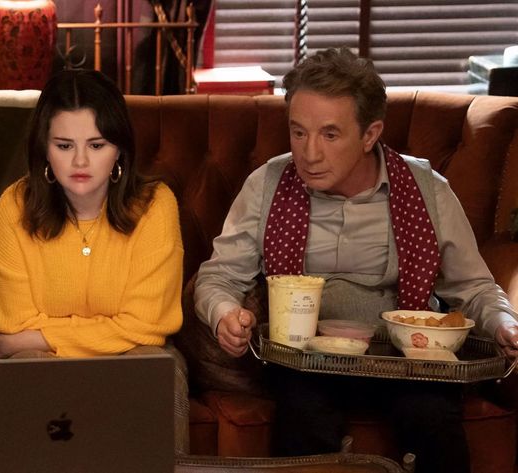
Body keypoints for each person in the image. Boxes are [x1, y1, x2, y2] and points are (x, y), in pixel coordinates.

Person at [194, 47, 518, 473]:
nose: (309, 153)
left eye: (330, 135)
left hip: (404, 359)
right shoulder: (267, 185)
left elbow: (472, 287)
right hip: (305, 359)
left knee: (431, 418)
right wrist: (224, 314)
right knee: (302, 415)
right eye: (298, 132)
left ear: (370, 134)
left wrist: (503, 324)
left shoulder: (427, 190)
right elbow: (218, 276)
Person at [0, 69, 188, 452]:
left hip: (134, 354)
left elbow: (148, 327)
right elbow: (14, 324)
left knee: (155, 368)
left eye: (96, 145)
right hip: (37, 357)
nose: (80, 161)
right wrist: (36, 340)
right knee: (26, 364)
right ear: (43, 148)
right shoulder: (15, 204)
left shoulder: (156, 205)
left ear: (119, 150)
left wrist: (42, 335)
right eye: (64, 145)